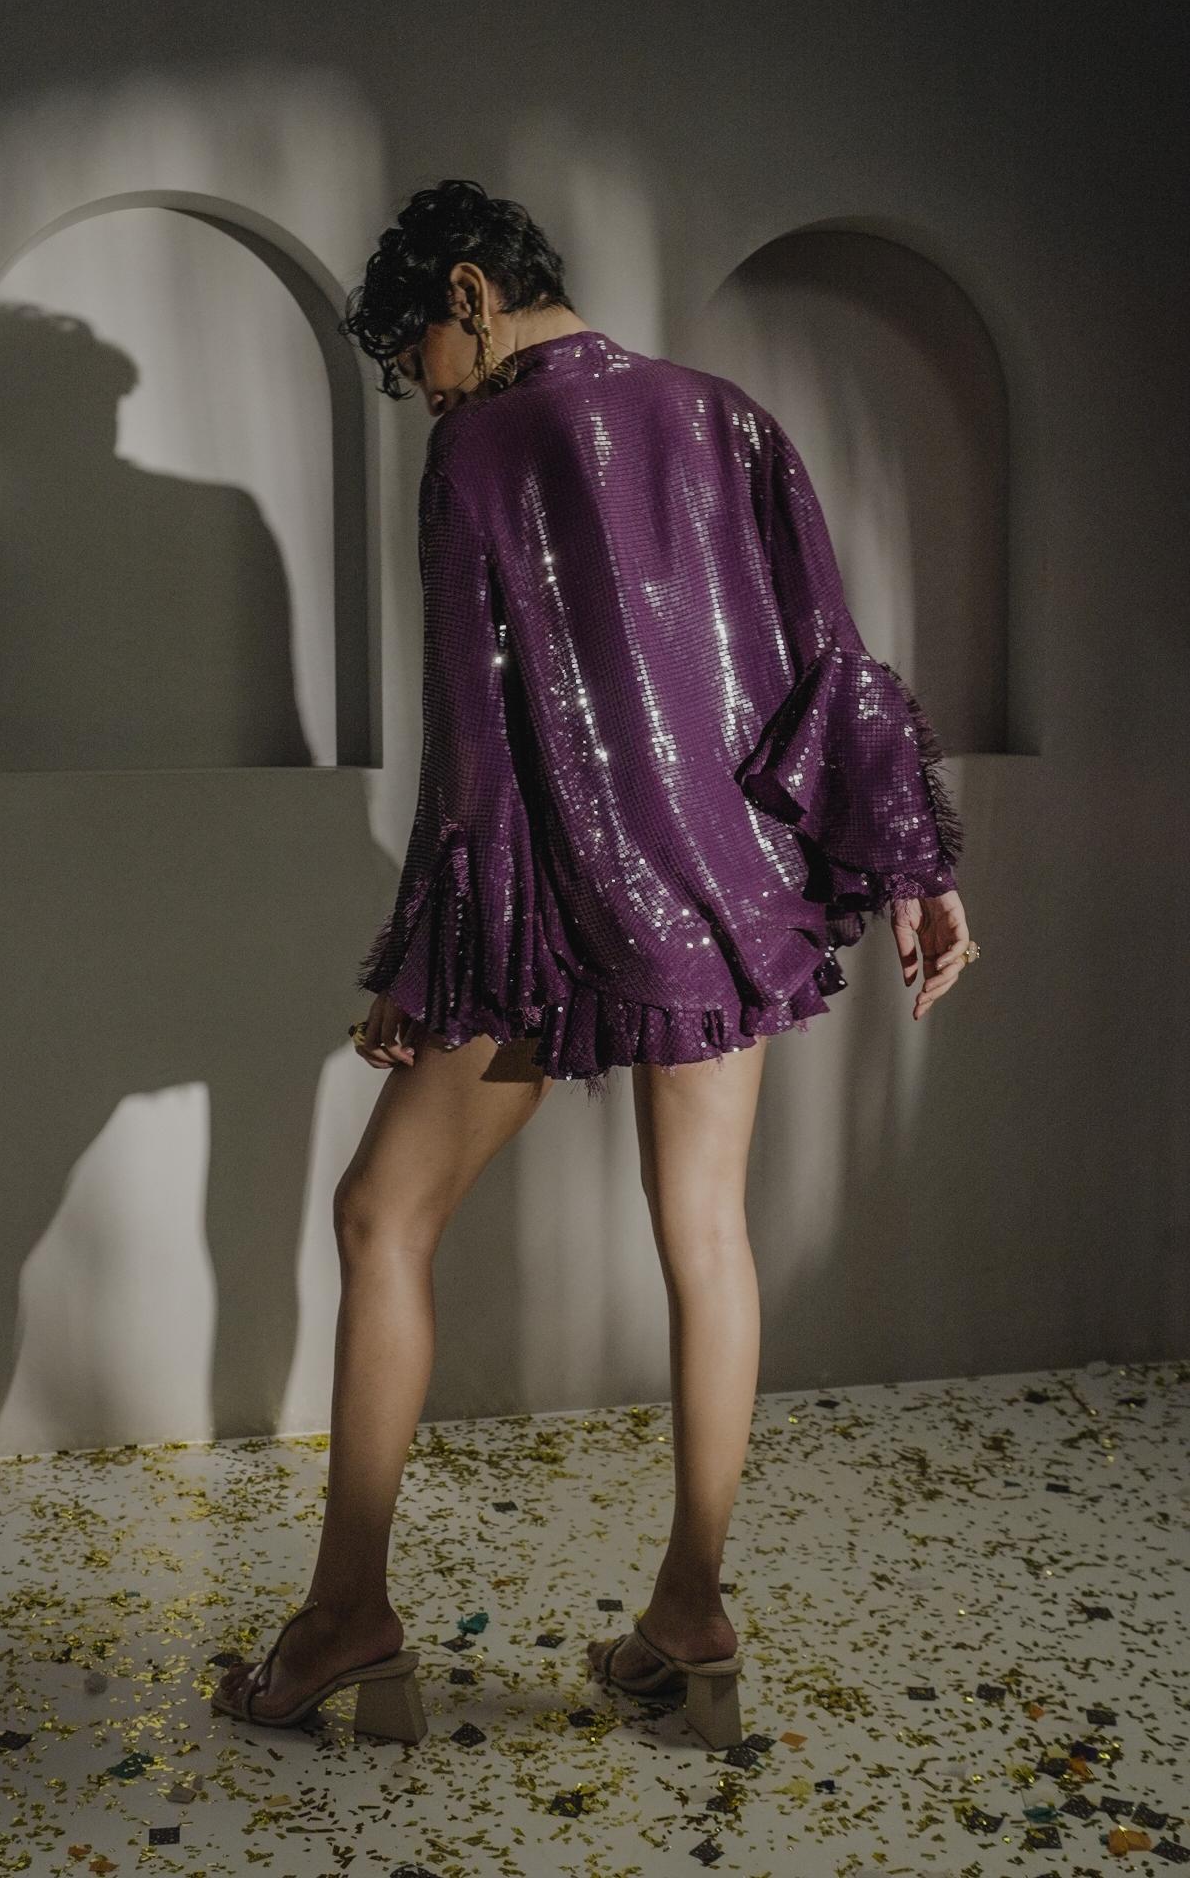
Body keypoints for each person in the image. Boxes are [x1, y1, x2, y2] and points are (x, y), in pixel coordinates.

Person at [208, 179, 978, 1742]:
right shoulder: (731, 417)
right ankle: (691, 1616)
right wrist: (919, 864)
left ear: (471, 292)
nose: (423, 390)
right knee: (707, 1234)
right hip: (732, 902)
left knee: (380, 1218)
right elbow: (827, 657)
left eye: (417, 356)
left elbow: (476, 748)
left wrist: (425, 960)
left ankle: (347, 1619)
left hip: (559, 908)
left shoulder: (483, 446)